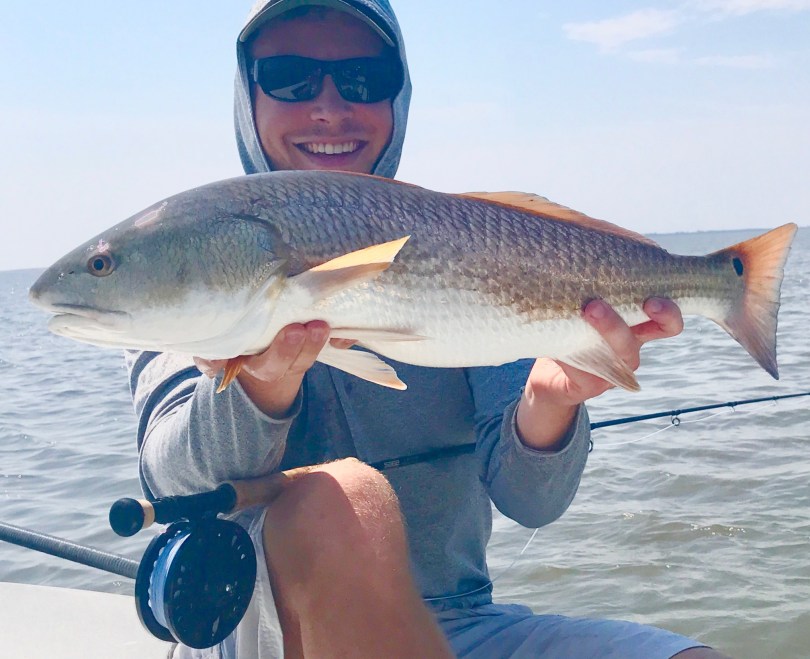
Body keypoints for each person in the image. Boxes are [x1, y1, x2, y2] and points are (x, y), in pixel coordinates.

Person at [128, 1, 731, 657]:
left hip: (459, 623)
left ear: (401, 95)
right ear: (247, 95)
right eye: (290, 78)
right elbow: (173, 481)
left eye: (363, 79)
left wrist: (550, 401)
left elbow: (534, 503)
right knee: (341, 502)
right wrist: (261, 387)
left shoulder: (462, 241)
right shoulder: (194, 248)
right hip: (256, 634)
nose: (329, 108)